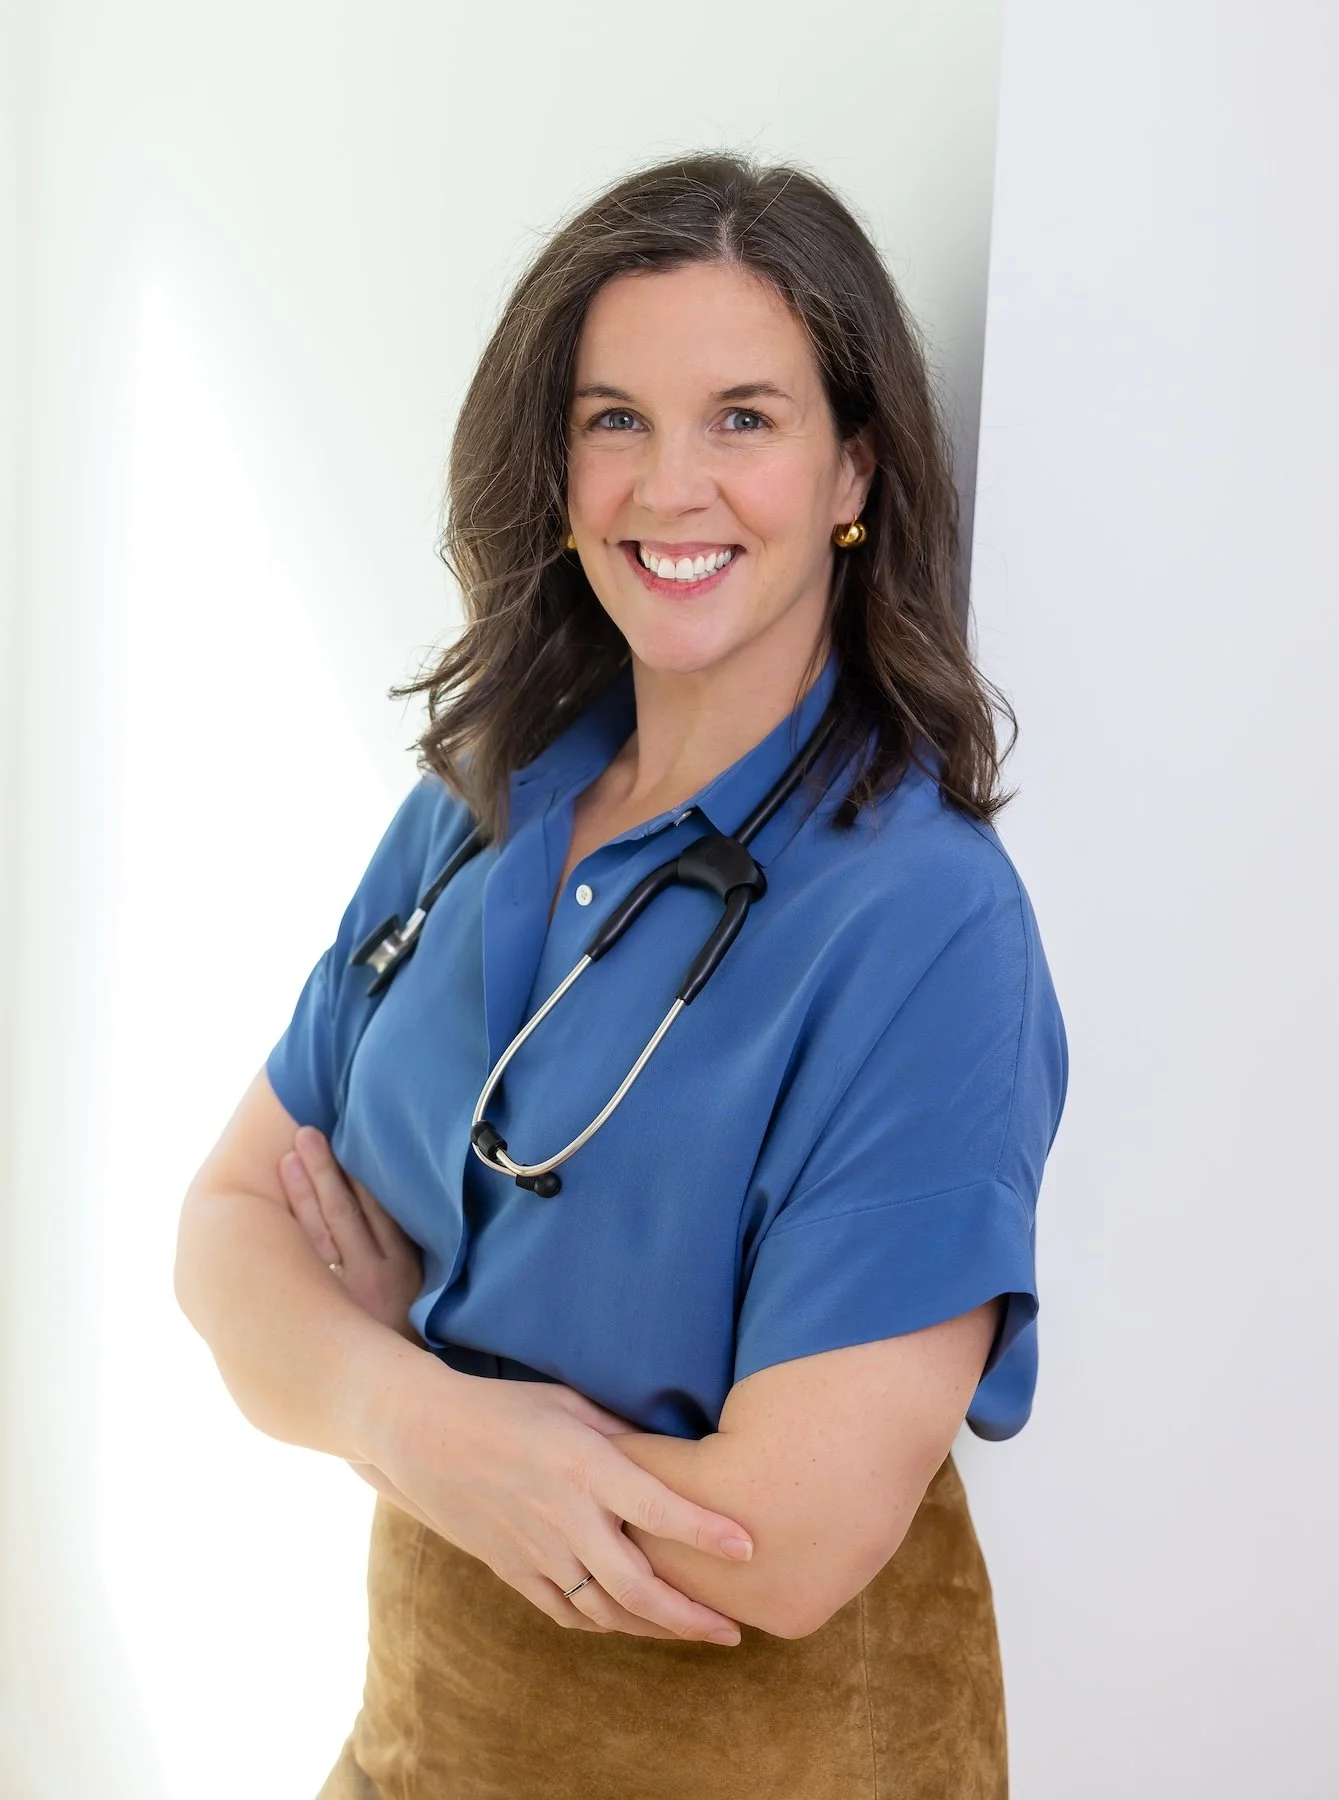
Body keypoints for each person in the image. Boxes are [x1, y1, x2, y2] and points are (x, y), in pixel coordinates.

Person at [175, 150, 1068, 1799]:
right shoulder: (476, 805)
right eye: (614, 420)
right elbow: (225, 1237)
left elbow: (779, 1542)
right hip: (425, 1733)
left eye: (744, 417)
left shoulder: (923, 926)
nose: (672, 487)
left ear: (852, 466)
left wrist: (371, 1366)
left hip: (774, 1759)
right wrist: (427, 1420)